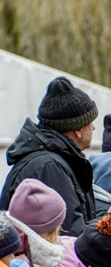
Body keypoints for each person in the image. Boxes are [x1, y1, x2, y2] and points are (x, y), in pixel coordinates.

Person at [1, 77, 99, 235]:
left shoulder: (54, 161)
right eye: (90, 121)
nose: (93, 127)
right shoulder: (49, 167)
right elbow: (70, 237)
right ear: (78, 130)